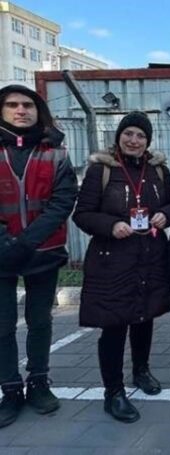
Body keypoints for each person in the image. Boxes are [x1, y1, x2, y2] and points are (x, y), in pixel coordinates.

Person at [74, 111, 170, 423]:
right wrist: (111, 225)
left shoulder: (158, 170)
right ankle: (113, 392)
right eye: (128, 134)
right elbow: (83, 214)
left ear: (148, 141)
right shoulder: (101, 170)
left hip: (150, 255)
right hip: (113, 260)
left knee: (145, 316)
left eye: (140, 136)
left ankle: (141, 371)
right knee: (114, 324)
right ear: (119, 137)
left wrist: (165, 215)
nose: (134, 140)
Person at [0, 85, 77, 428]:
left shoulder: (55, 152)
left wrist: (27, 241)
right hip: (0, 254)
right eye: (12, 105)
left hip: (43, 251)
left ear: (38, 110)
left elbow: (63, 200)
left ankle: (38, 381)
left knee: (40, 320)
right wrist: (6, 243)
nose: (21, 110)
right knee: (2, 325)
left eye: (27, 105)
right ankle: (10, 389)